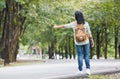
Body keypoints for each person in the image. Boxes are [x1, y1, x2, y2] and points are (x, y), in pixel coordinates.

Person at [53, 10, 94, 75]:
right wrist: (92, 41)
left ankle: (80, 70)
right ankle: (88, 70)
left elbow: (64, 26)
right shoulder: (86, 24)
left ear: (76, 17)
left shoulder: (73, 24)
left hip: (78, 43)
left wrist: (56, 26)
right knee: (86, 55)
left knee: (80, 56)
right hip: (86, 42)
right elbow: (89, 33)